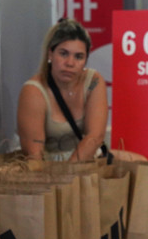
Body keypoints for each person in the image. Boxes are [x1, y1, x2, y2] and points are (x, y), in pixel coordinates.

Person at [17, 18, 107, 161]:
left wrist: (72, 173)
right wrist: (64, 180)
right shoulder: (33, 91)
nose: (70, 63)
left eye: (78, 57)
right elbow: (34, 158)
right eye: (64, 54)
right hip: (47, 169)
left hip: (84, 161)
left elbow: (95, 136)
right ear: (50, 54)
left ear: (86, 60)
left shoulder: (94, 81)